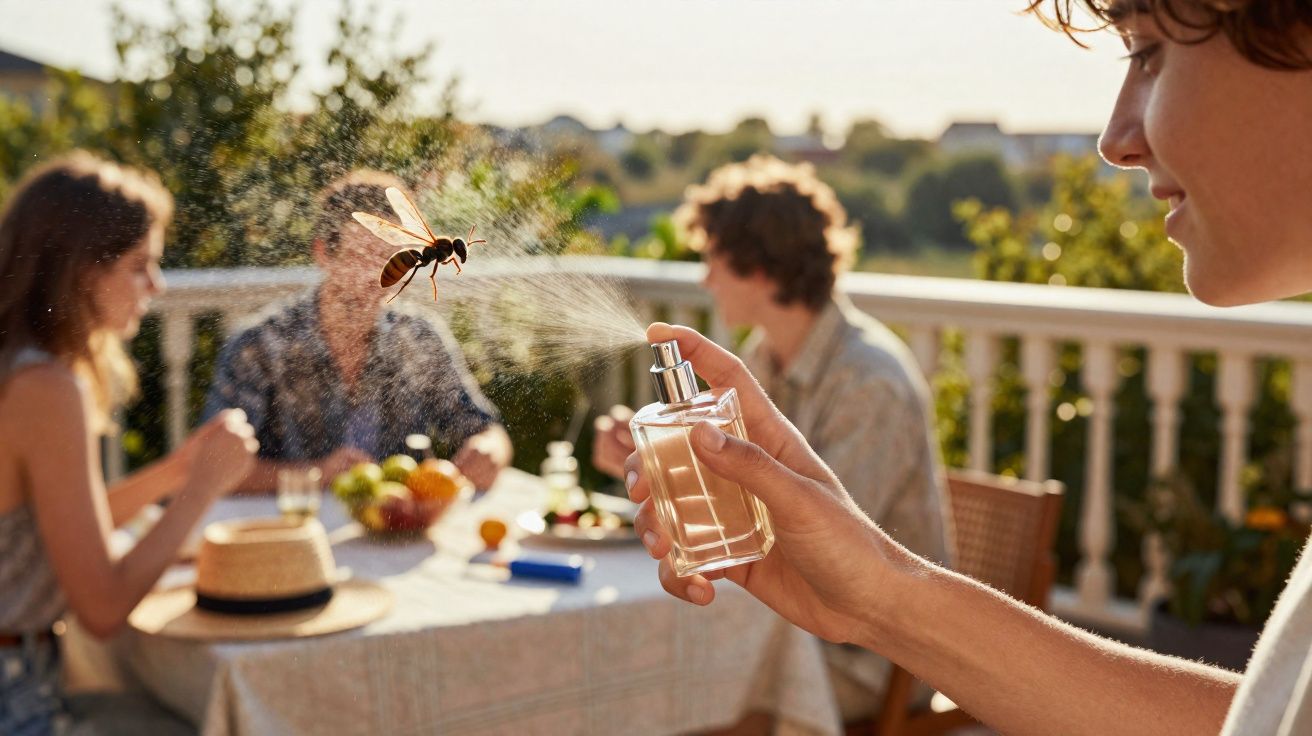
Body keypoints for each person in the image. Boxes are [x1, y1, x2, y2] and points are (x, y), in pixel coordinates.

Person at [625, 2, 1312, 734]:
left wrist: (880, 597)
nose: (1114, 141)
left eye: (1147, 54)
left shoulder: (869, 377)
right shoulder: (768, 365)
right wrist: (879, 594)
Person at [593, 155, 951, 717]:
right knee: (639, 675)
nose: (705, 278)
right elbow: (742, 503)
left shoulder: (870, 382)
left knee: (664, 691)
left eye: (713, 259)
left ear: (759, 268)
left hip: (871, 658)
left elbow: (829, 542)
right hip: (794, 629)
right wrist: (652, 464)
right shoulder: (765, 359)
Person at [0, 152, 258, 734]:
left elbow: (63, 529)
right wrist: (201, 489)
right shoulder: (44, 387)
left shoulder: (20, 366)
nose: (157, 286)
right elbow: (103, 607)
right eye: (139, 265)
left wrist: (175, 471)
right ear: (82, 271)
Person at [203, 170, 512, 493]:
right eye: (359, 256)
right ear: (323, 253)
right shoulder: (259, 345)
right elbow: (210, 468)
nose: (375, 275)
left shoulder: (419, 337)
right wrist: (317, 473)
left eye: (387, 257)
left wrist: (489, 451)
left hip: (398, 534)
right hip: (293, 534)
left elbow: (483, 429)